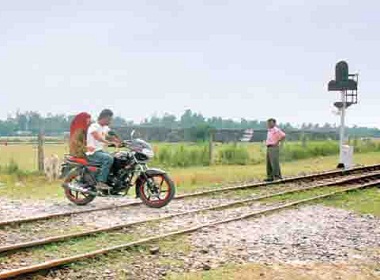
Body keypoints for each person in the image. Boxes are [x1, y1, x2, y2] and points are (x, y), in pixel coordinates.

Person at [86, 109, 121, 190]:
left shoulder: (105, 128)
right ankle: (100, 182)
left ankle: (111, 180)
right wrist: (107, 142)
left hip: (100, 151)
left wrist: (120, 141)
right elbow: (97, 136)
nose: (110, 121)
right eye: (109, 119)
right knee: (108, 158)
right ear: (104, 118)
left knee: (117, 157)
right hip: (92, 153)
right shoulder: (94, 126)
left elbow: (111, 135)